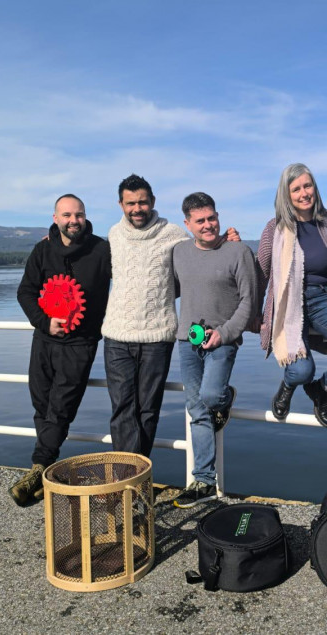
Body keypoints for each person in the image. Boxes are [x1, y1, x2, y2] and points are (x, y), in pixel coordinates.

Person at [102, 175, 242, 459]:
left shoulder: (173, 233)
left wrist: (228, 240)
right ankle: (128, 478)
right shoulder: (113, 234)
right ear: (121, 204)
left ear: (152, 202)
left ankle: (135, 478)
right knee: (122, 410)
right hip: (116, 337)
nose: (137, 208)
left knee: (148, 411)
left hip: (158, 337)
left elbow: (204, 244)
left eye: (142, 201)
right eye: (130, 203)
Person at [11, 194, 111, 506]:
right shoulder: (43, 249)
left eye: (78, 215)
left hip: (81, 343)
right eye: (67, 215)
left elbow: (136, 270)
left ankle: (38, 467)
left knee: (61, 405)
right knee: (41, 403)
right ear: (55, 218)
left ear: (85, 216)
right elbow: (25, 291)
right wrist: (43, 322)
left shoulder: (103, 249)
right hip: (45, 339)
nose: (73, 220)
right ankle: (46, 475)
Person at [256, 163, 327, 428]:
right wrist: (257, 313)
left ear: (315, 188)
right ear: (286, 195)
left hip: (325, 298)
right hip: (288, 304)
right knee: (301, 370)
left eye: (307, 186)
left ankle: (322, 391)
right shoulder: (274, 228)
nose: (304, 193)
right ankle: (287, 386)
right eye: (296, 189)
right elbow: (261, 273)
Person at [171, 192, 257, 508]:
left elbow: (250, 300)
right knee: (196, 411)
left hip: (223, 340)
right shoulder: (179, 252)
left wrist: (223, 334)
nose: (208, 225)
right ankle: (204, 481)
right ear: (188, 224)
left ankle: (225, 398)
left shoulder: (238, 251)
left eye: (212, 218)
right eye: (200, 221)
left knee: (209, 397)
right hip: (187, 341)